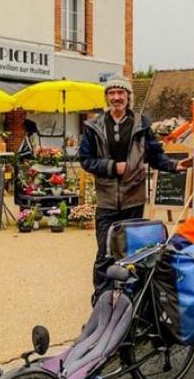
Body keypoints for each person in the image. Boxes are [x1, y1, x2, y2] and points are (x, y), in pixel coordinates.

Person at [79, 74, 186, 301]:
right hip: (107, 201)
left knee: (134, 253)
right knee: (105, 252)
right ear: (106, 97)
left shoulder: (141, 125)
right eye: (112, 93)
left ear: (128, 96)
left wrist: (175, 166)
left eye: (121, 92)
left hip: (133, 200)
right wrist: (110, 167)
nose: (116, 97)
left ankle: (131, 300)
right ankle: (102, 300)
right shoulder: (94, 126)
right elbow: (85, 159)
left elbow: (156, 156)